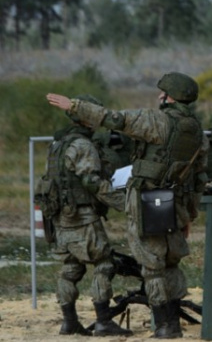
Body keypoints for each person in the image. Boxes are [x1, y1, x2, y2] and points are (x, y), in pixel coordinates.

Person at [48, 72, 209, 339]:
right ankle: (173, 323)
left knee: (152, 267)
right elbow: (200, 177)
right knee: (171, 264)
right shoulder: (197, 133)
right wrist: (189, 214)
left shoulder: (155, 121)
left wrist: (74, 106)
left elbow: (114, 119)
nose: (160, 96)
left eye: (164, 93)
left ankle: (165, 326)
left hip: (146, 202)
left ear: (170, 98)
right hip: (175, 205)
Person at [40, 94, 132, 337]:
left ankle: (69, 322)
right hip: (83, 218)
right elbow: (92, 182)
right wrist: (124, 203)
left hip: (60, 219)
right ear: (86, 119)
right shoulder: (83, 145)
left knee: (70, 269)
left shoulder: (57, 145)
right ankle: (103, 321)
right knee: (104, 263)